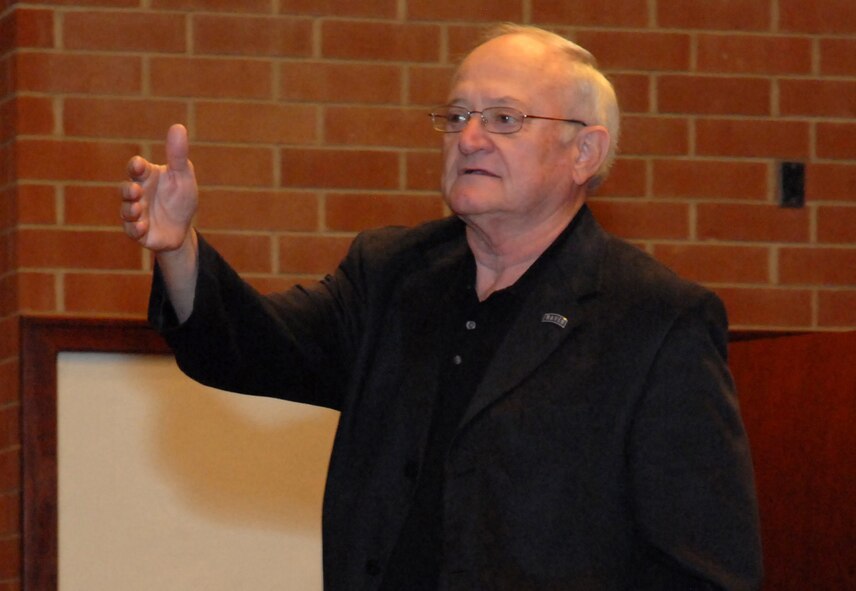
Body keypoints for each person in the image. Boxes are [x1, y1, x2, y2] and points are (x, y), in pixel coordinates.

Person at [121, 23, 763, 591]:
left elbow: (708, 572)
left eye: (504, 119)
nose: (471, 138)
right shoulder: (393, 277)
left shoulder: (653, 320)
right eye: (457, 117)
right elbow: (254, 350)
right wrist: (180, 249)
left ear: (584, 152)